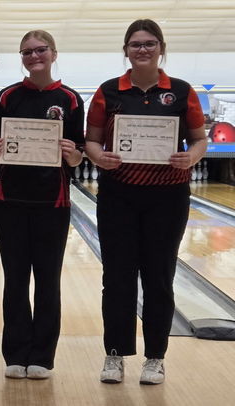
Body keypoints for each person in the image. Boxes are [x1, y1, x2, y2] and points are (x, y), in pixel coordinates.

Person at [85, 19, 207, 385]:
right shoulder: (108, 91)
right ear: (126, 50)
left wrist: (193, 158)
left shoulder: (183, 92)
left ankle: (156, 357)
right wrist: (98, 157)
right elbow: (91, 140)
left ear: (161, 47)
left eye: (149, 43)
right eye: (135, 44)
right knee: (117, 278)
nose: (142, 49)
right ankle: (115, 354)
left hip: (168, 198)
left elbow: (199, 139)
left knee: (159, 277)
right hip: (119, 196)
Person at [0, 30, 84, 380]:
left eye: (40, 50)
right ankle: (15, 352)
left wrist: (71, 153)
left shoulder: (71, 99)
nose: (34, 56)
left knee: (47, 281)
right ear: (21, 58)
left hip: (52, 202)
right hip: (9, 200)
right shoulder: (7, 97)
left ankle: (43, 355)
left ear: (53, 53)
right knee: (15, 280)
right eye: (27, 52)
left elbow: (77, 157)